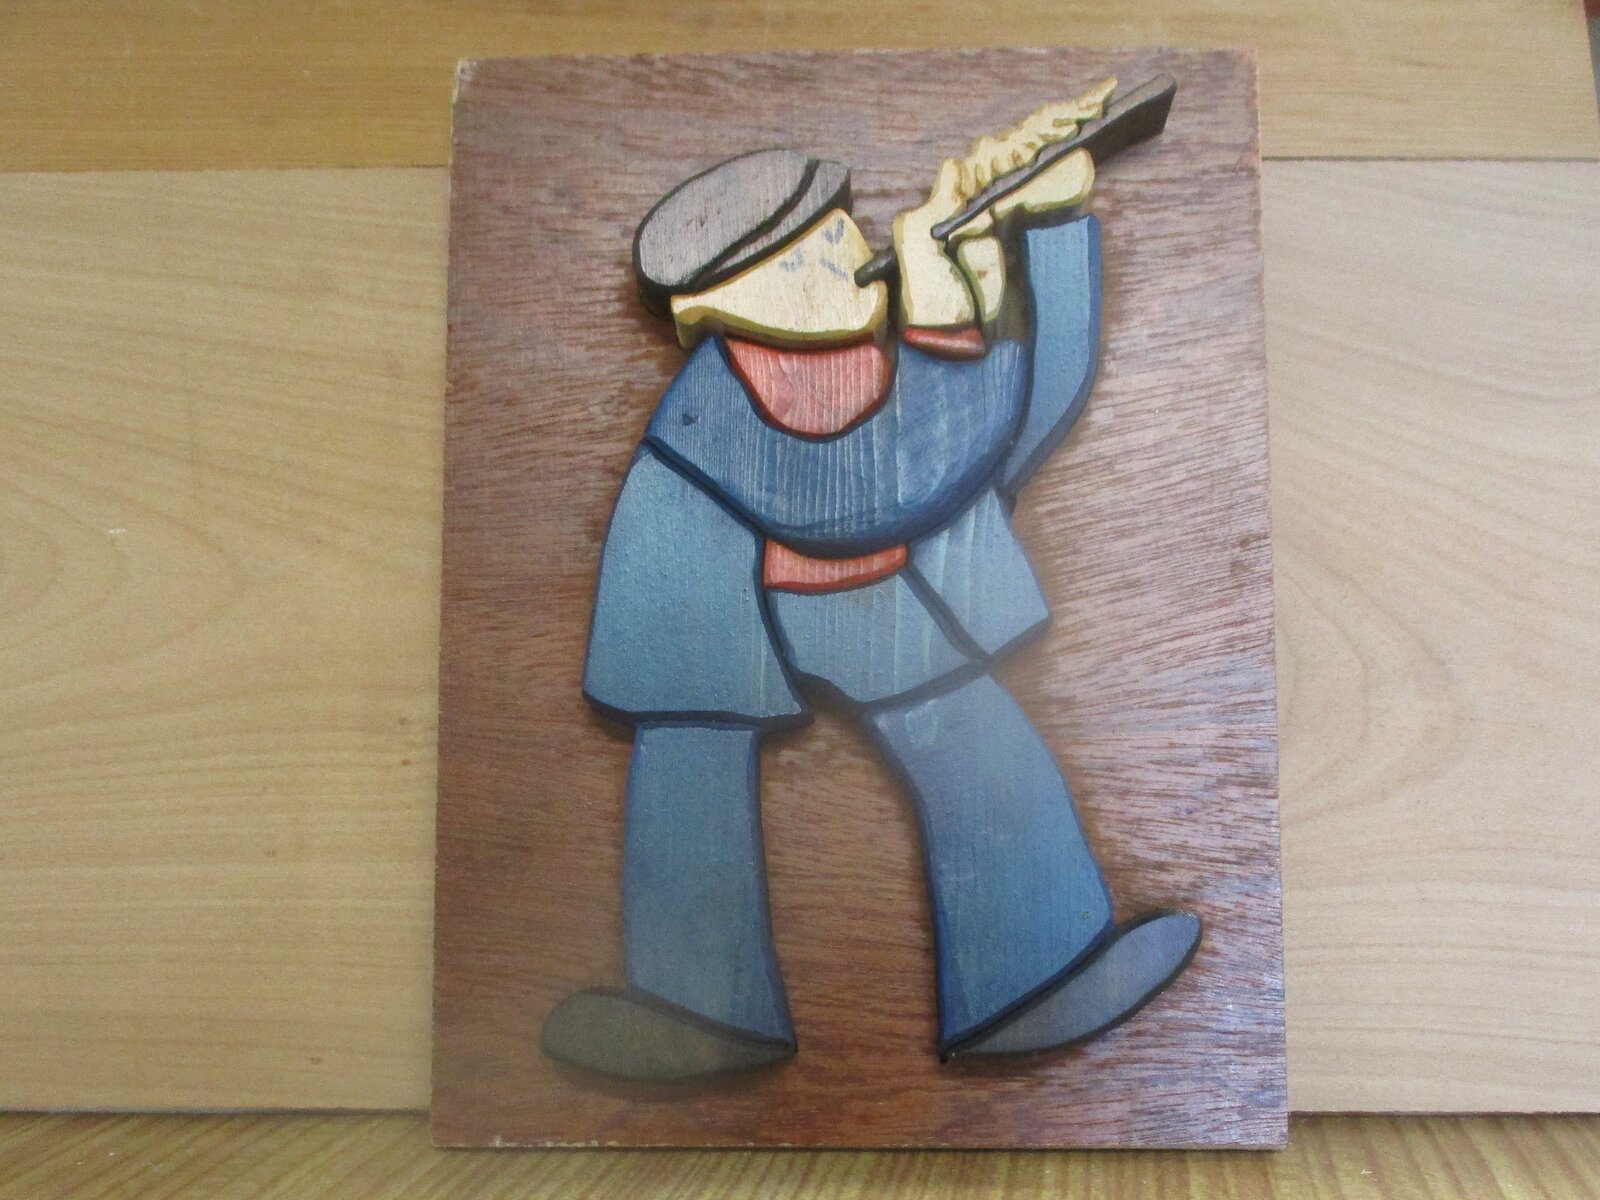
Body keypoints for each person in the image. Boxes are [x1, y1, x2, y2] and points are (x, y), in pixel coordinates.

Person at [543, 82, 1201, 1081]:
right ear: (719, 303)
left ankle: (1036, 976)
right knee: (690, 773)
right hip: (714, 607)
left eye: (840, 230)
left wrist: (1046, 233)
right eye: (804, 256)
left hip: (879, 597)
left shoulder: (876, 358)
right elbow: (857, 496)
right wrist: (942, 327)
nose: (849, 255)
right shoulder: (707, 408)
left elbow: (1020, 424)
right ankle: (695, 1010)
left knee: (977, 743)